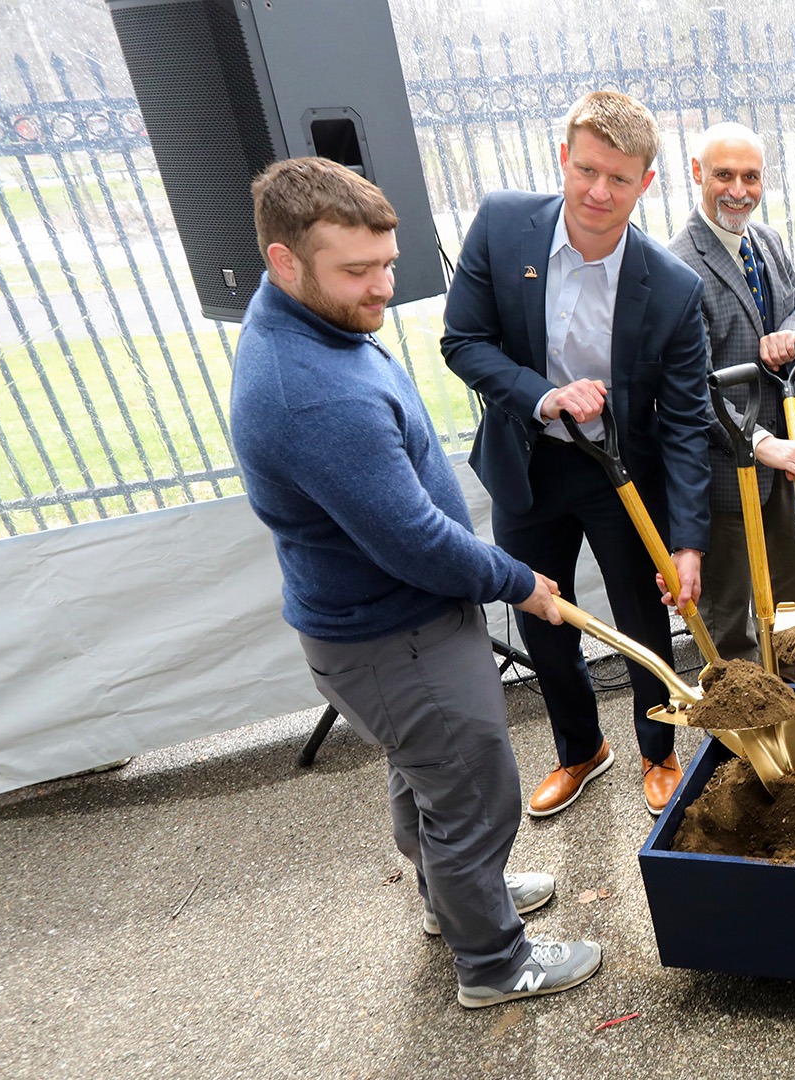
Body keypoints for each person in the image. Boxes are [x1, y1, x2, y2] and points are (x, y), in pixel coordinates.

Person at [230, 157, 602, 1009]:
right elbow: (415, 541)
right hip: (396, 633)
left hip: (375, 630)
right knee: (475, 790)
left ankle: (453, 902)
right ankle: (494, 962)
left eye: (387, 264)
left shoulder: (308, 324)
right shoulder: (311, 393)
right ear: (284, 262)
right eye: (356, 272)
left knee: (428, 774)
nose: (382, 289)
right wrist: (519, 581)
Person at [442, 91, 714, 818]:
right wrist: (543, 395)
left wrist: (687, 540)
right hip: (527, 460)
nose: (599, 192)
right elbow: (462, 342)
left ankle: (659, 749)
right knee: (542, 613)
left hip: (621, 474)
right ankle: (580, 750)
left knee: (640, 614)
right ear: (565, 158)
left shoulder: (675, 288)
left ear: (646, 183)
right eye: (587, 170)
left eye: (619, 179)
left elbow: (687, 421)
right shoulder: (502, 227)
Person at [668, 121, 795, 685]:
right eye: (723, 175)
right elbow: (691, 386)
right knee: (731, 593)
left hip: (784, 450)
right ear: (697, 174)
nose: (738, 189)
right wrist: (759, 444)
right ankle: (743, 695)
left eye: (750, 177)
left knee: (787, 572)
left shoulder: (767, 241)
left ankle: (792, 664)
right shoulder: (679, 266)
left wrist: (792, 333)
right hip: (727, 461)